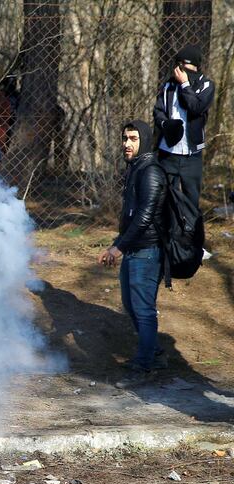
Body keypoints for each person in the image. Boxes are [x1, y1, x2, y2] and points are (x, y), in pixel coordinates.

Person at [97, 121, 167, 389]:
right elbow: (130, 218)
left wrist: (118, 248)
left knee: (144, 310)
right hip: (134, 249)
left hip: (147, 251)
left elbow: (145, 216)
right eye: (125, 138)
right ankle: (156, 355)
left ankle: (143, 366)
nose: (126, 143)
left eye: (133, 138)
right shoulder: (136, 168)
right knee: (131, 304)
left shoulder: (150, 171)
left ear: (145, 141)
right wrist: (117, 244)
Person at [153, 44, 214, 209]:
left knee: (190, 202)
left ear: (196, 67)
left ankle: (190, 233)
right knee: (163, 200)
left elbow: (196, 107)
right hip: (168, 152)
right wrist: (166, 124)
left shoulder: (206, 85)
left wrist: (185, 85)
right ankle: (167, 234)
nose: (181, 72)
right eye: (179, 67)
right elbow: (158, 112)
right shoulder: (168, 86)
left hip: (192, 154)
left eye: (186, 68)